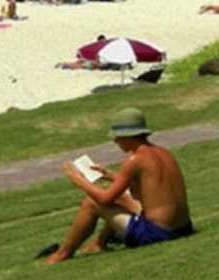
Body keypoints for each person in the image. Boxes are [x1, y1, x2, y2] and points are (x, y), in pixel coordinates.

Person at [45, 108, 193, 265]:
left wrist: (77, 179)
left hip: (158, 233)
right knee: (122, 197)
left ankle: (62, 254)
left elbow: (105, 198)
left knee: (91, 203)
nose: (115, 141)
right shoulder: (163, 152)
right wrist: (109, 175)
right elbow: (151, 186)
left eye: (117, 137)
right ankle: (98, 244)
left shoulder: (135, 160)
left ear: (128, 136)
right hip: (183, 227)